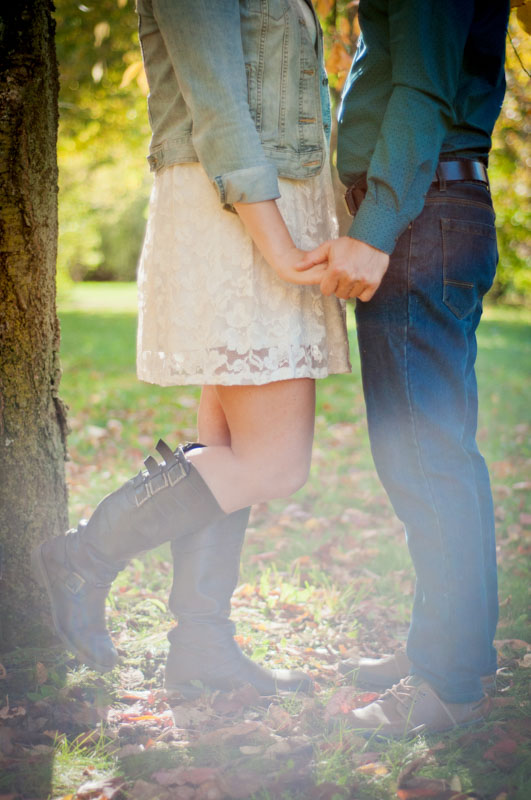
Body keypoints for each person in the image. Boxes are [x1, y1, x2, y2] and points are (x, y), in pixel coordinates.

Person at [31, 0, 351, 697]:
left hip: (267, 208)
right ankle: (82, 557)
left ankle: (201, 646)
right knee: (272, 465)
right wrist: (280, 248)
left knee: (229, 449)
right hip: (234, 213)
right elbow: (218, 109)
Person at [302, 0, 510, 734]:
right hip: (434, 207)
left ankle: (447, 685)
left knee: (426, 457)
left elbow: (422, 88)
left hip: (419, 214)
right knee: (434, 455)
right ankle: (448, 653)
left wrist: (379, 218)